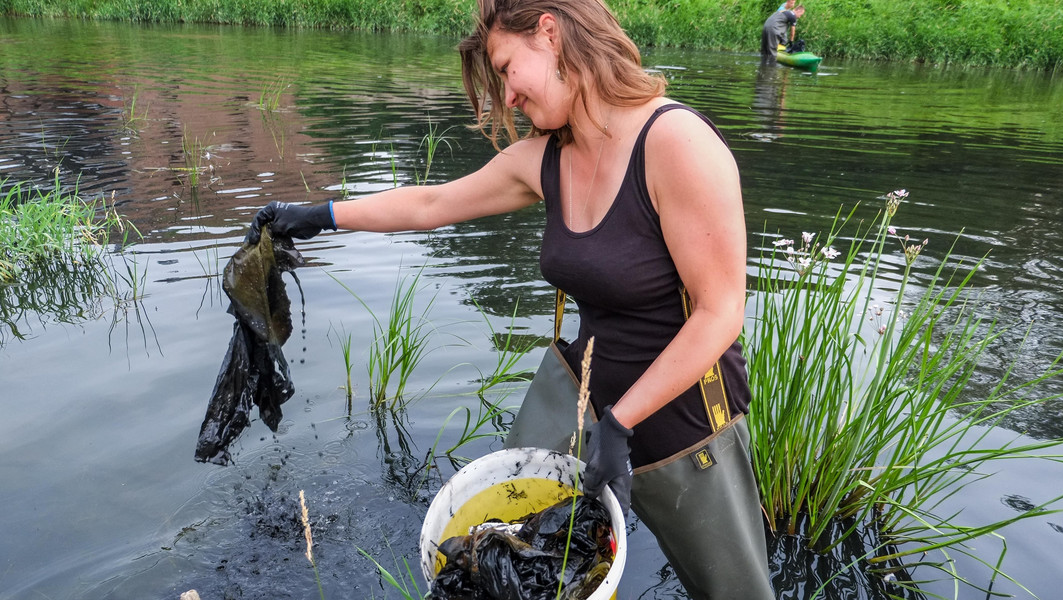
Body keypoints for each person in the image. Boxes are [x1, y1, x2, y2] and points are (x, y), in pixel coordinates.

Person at [247, 1, 774, 598]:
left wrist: (624, 423)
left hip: (683, 423)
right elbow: (432, 205)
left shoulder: (675, 141)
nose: (508, 95)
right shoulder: (544, 159)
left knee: (735, 592)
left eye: (505, 67)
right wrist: (319, 215)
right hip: (582, 400)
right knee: (494, 552)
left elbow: (722, 311)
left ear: (549, 33)